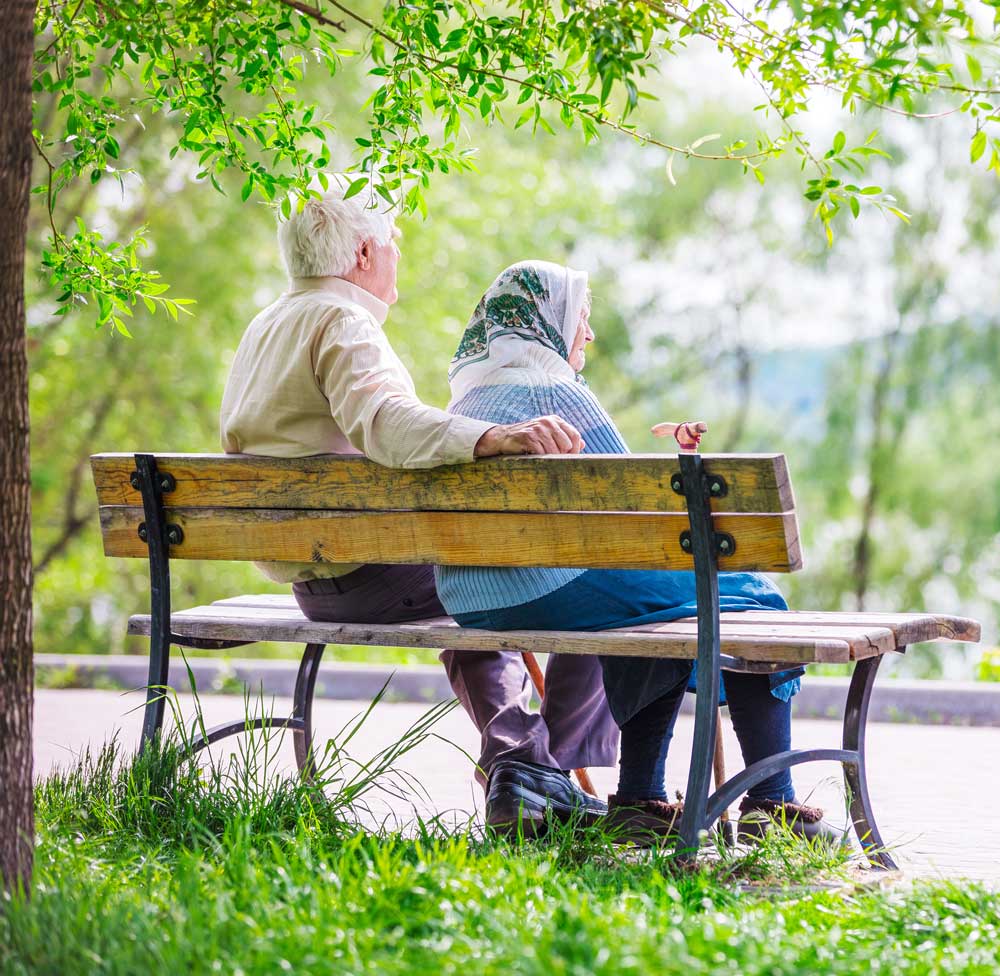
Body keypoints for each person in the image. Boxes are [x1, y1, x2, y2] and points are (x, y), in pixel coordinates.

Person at [219, 192, 618, 830]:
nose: (397, 256)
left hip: (313, 585)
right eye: (393, 244)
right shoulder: (340, 322)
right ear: (364, 252)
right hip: (369, 572)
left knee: (468, 577)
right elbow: (386, 422)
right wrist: (492, 438)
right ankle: (535, 766)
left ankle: (521, 760)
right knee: (567, 580)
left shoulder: (265, 325)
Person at [435, 260, 842, 845]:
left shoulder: (460, 407)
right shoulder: (554, 391)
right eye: (583, 318)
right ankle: (770, 802)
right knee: (754, 598)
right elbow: (638, 518)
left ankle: (642, 802)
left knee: (651, 610)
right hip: (548, 588)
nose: (589, 334)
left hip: (472, 601)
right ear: (548, 319)